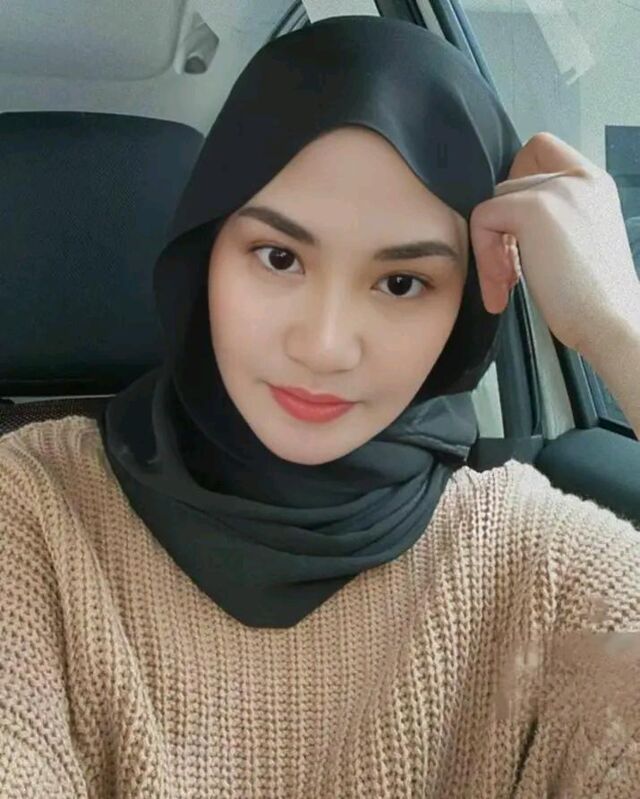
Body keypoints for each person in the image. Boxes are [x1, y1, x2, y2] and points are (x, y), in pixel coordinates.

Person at [1, 15, 639, 799]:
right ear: (206, 254)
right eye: (278, 257)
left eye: (401, 282)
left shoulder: (535, 562)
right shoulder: (35, 514)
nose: (326, 345)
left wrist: (621, 331)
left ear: (468, 303)